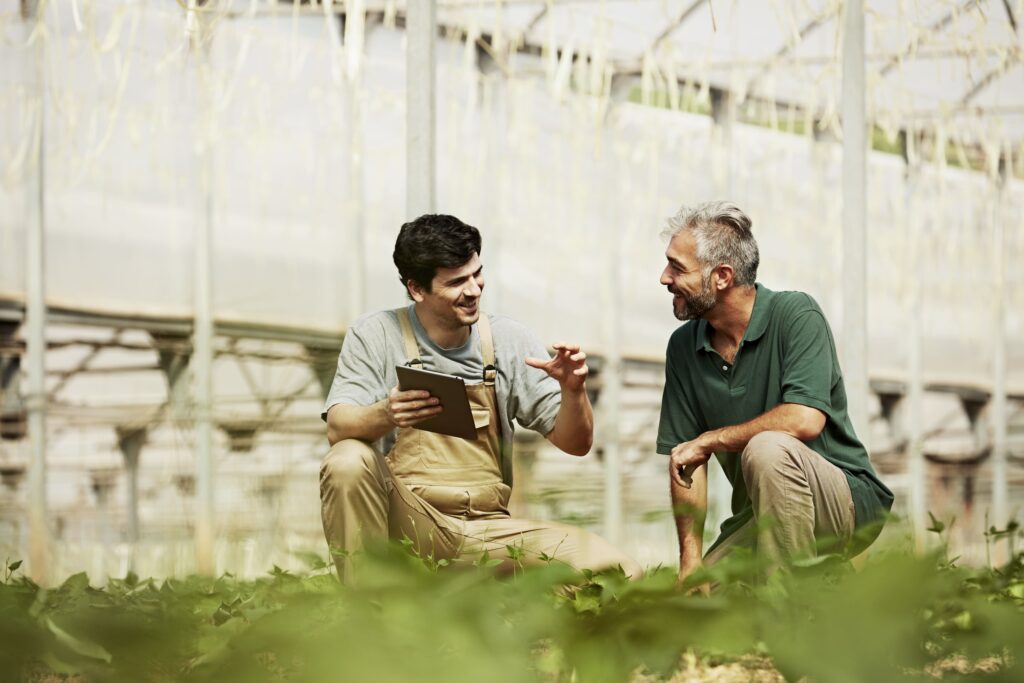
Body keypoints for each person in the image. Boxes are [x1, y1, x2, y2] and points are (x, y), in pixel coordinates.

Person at [320, 214, 640, 582]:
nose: (474, 289)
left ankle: (503, 614)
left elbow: (576, 443)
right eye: (457, 282)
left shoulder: (509, 339)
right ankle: (371, 616)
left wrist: (573, 391)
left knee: (620, 574)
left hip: (488, 531)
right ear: (417, 289)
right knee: (347, 458)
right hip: (411, 519)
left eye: (477, 273)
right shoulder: (376, 333)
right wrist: (387, 412)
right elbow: (338, 426)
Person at [656, 201, 893, 585]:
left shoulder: (796, 315)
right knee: (695, 611)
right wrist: (691, 560)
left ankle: (791, 615)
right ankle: (829, 583)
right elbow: (686, 459)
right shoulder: (683, 347)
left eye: (677, 267)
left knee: (767, 447)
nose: (664, 277)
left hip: (844, 501)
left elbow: (803, 418)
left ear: (722, 276)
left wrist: (711, 439)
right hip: (760, 517)